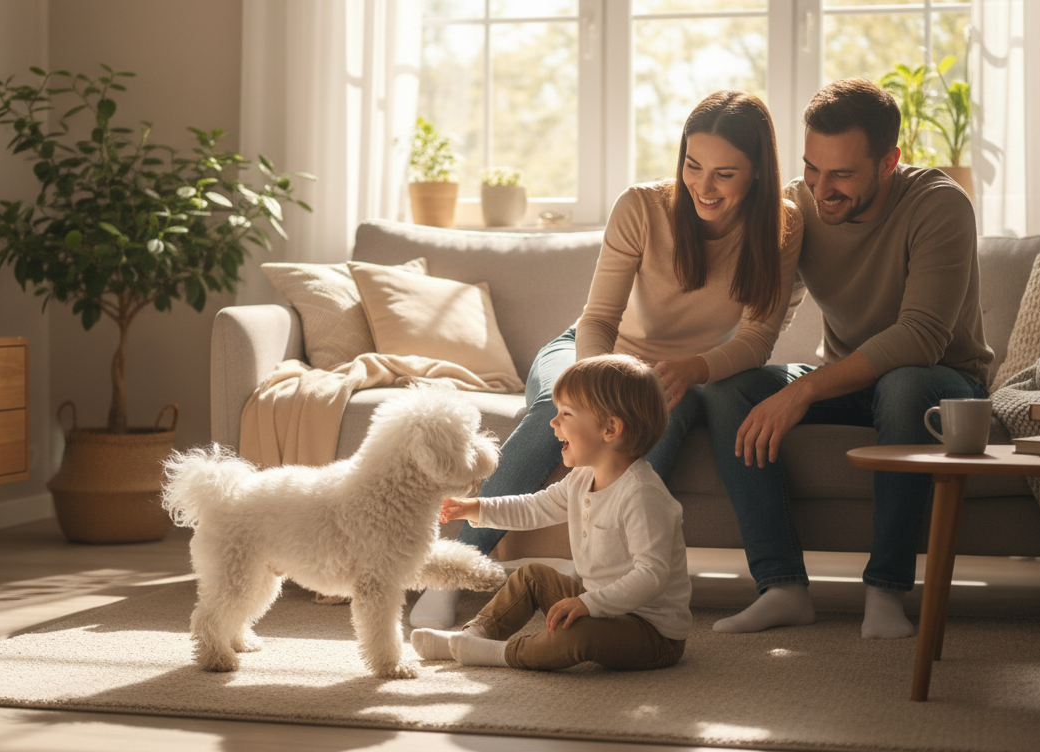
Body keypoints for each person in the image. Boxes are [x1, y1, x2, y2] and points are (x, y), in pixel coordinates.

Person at [409, 90, 805, 630]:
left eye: (724, 174)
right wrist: (596, 386)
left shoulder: (782, 225)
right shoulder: (642, 206)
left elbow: (758, 339)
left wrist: (692, 369)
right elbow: (598, 320)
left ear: (758, 173)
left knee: (644, 432)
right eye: (693, 165)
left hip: (681, 372)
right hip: (592, 349)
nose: (703, 187)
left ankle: (598, 589)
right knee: (559, 405)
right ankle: (448, 577)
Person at [702, 78, 994, 639]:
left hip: (943, 383)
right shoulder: (796, 203)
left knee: (903, 385)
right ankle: (782, 587)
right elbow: (764, 317)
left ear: (890, 161)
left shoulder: (939, 205)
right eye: (813, 168)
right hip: (851, 382)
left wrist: (805, 390)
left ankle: (885, 594)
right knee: (728, 390)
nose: (821, 188)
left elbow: (922, 336)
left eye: (841, 174)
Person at [410, 354, 691, 670]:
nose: (553, 423)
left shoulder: (642, 495)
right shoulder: (583, 478)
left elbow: (652, 575)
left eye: (566, 414)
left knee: (577, 638)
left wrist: (587, 603)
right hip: (597, 603)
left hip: (651, 630)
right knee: (531, 576)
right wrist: (477, 509)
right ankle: (472, 636)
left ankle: (495, 655)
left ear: (610, 428)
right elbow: (534, 507)